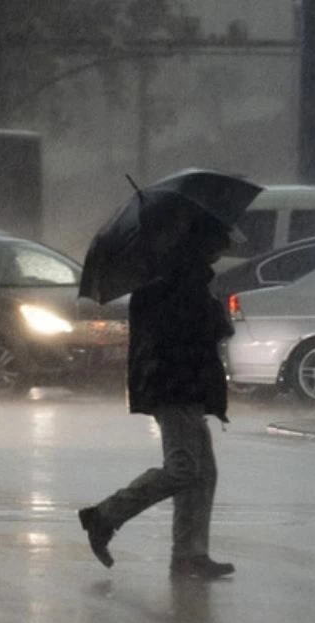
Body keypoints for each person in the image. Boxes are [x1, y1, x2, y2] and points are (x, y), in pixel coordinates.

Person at [79, 213, 237, 580]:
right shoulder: (175, 281)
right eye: (217, 244)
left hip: (184, 385)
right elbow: (189, 333)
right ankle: (105, 516)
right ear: (201, 245)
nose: (220, 253)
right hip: (174, 386)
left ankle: (190, 553)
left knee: (203, 473)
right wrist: (215, 318)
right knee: (184, 468)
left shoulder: (179, 277)